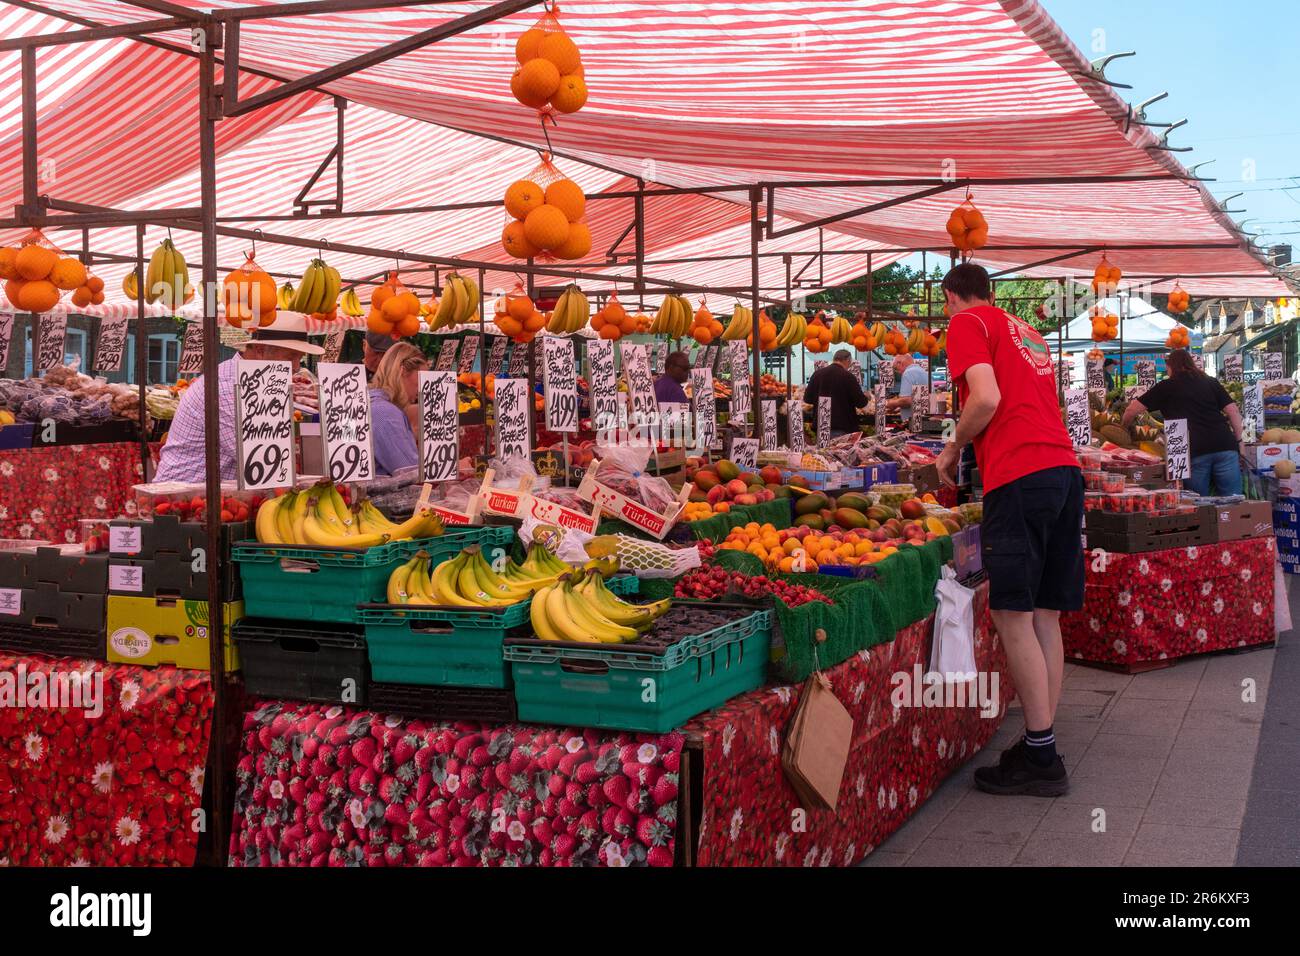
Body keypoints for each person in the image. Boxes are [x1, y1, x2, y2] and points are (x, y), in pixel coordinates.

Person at [935, 263, 1082, 798]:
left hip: (1019, 475)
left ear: (952, 296)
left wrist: (953, 446)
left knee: (1011, 612)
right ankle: (1040, 741)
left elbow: (987, 397)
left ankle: (1042, 760)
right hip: (1063, 472)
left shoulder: (966, 322)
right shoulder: (1025, 330)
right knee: (1046, 613)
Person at [154, 316, 322, 483]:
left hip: (211, 493)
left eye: (299, 358)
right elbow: (263, 460)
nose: (296, 366)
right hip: (181, 497)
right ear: (260, 351)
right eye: (290, 357)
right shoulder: (228, 389)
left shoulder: (255, 384)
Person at [1122, 349, 1242, 496]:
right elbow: (1233, 411)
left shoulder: (1166, 386)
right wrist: (1239, 441)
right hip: (1225, 446)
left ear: (1171, 366)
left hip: (1193, 450)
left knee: (1197, 503)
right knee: (1234, 501)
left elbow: (1131, 410)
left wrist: (1124, 428)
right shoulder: (1210, 382)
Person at [369, 341, 427, 477]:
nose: (422, 388)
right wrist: (456, 467)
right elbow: (410, 471)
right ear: (402, 371)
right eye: (421, 379)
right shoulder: (385, 412)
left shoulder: (375, 404)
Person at [802, 349, 869, 439]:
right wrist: (866, 397)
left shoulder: (817, 374)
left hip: (822, 426)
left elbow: (807, 399)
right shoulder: (848, 376)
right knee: (839, 452)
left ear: (834, 359)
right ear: (847, 360)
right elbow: (861, 403)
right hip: (843, 426)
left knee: (823, 452)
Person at [885, 352, 930, 422]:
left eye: (896, 369)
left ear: (900, 363)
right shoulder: (924, 372)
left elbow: (906, 400)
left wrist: (891, 403)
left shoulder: (908, 373)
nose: (899, 372)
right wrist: (900, 408)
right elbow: (918, 399)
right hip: (924, 419)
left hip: (912, 422)